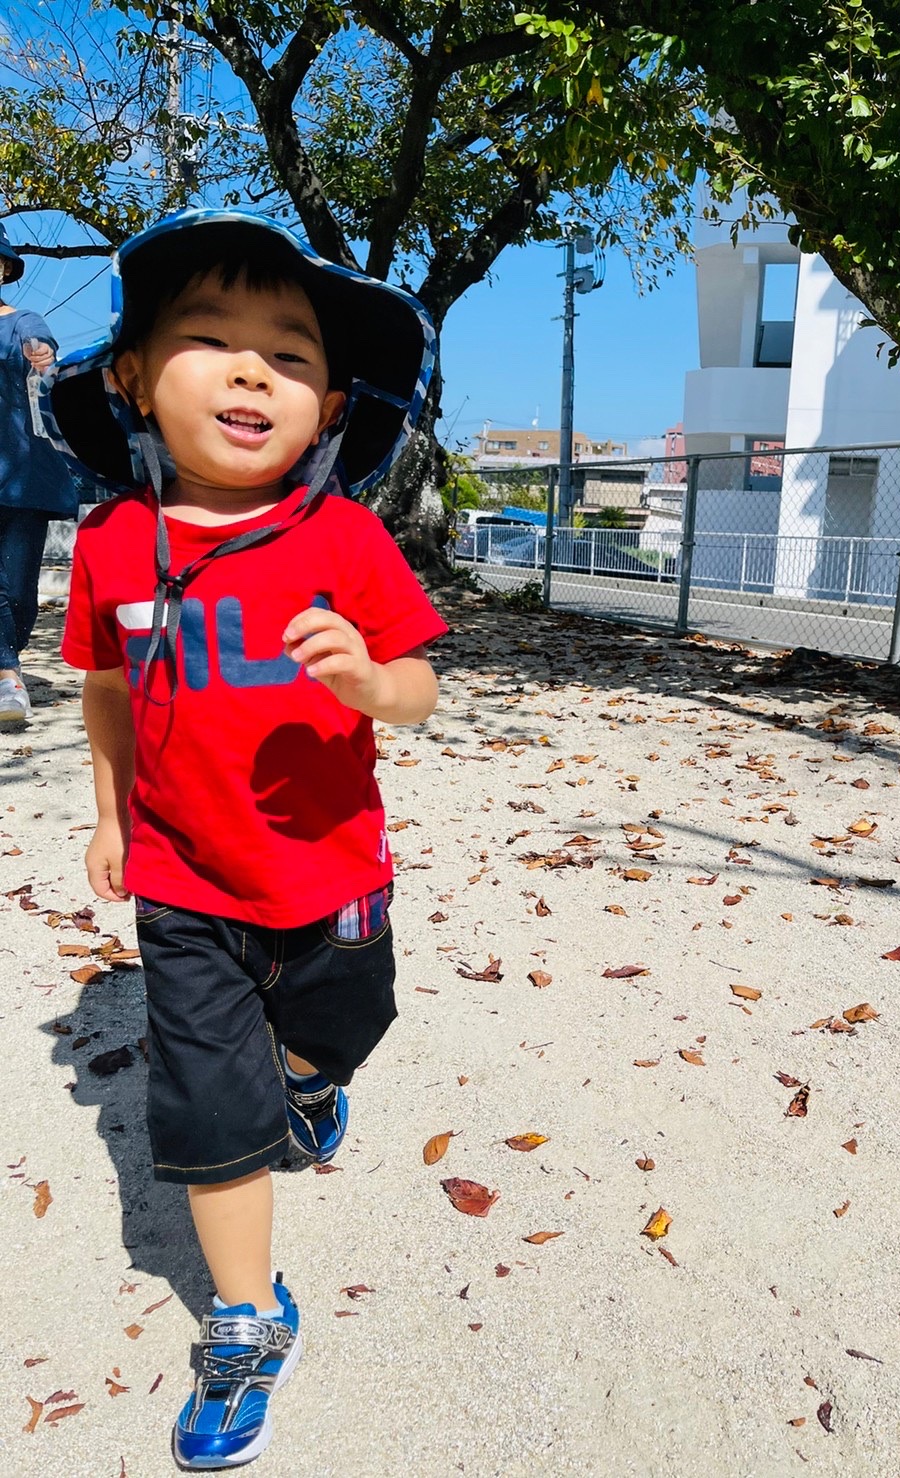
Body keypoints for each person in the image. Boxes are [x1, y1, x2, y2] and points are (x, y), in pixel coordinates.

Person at [44, 209, 447, 1469]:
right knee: (215, 1104)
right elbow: (108, 689)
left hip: (332, 871)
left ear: (329, 407)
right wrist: (112, 812)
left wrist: (371, 681)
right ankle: (246, 1312)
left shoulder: (344, 537)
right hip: (183, 881)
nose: (252, 372)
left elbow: (421, 684)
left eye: (289, 353)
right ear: (130, 377)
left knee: (343, 1022)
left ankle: (312, 1080)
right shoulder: (116, 543)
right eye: (211, 338)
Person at [0, 222, 77, 723]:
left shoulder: (22, 322)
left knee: (18, 592)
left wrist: (41, 355)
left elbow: (40, 345)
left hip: (21, 475)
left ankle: (7, 657)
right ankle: (8, 676)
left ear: (4, 268)